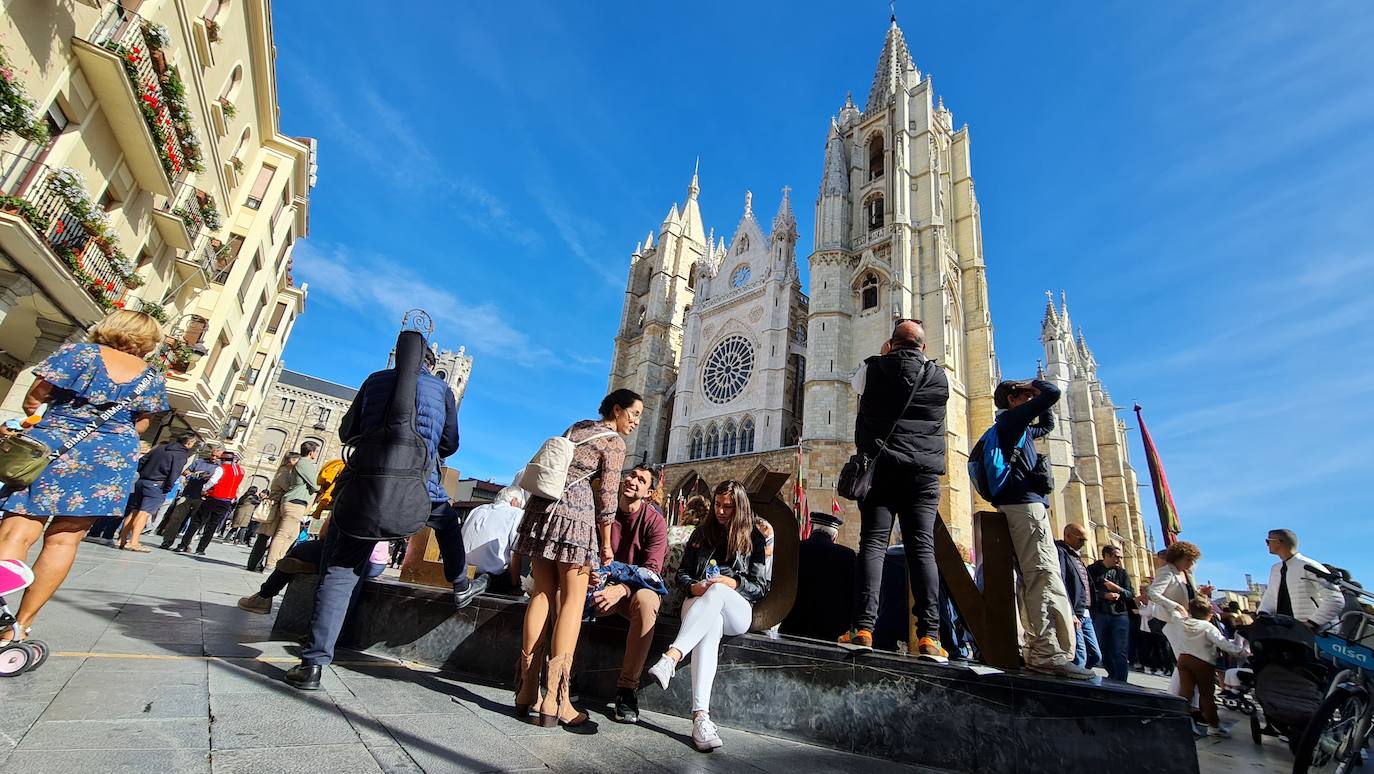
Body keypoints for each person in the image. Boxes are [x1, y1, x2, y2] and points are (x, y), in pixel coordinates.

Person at [284, 340, 481, 691]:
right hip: (419, 486)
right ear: (431, 363)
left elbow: (348, 432)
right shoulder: (441, 389)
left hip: (365, 483)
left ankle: (313, 664)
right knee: (448, 525)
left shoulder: (375, 380)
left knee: (340, 571)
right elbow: (449, 443)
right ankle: (460, 585)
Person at [0, 311, 168, 641]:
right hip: (111, 458)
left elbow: (33, 399)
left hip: (54, 447)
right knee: (65, 539)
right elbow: (142, 424)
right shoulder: (153, 377)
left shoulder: (78, 353)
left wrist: (47, 415)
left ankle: (0, 610)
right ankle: (19, 628)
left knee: (17, 529)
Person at [509, 388, 640, 728]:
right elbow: (609, 495)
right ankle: (556, 699)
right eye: (634, 414)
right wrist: (608, 542)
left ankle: (525, 691)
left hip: (542, 509)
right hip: (575, 514)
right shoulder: (614, 442)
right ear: (617, 410)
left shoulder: (579, 427)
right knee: (572, 599)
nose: (636, 421)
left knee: (541, 593)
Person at [840, 320, 950, 662]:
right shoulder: (939, 377)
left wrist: (883, 357)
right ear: (923, 347)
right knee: (922, 550)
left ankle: (863, 628)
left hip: (882, 470)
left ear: (890, 344)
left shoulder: (872, 369)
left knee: (872, 545)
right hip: (923, 475)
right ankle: (930, 637)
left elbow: (857, 386)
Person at [647, 480, 771, 752]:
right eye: (717, 505)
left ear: (740, 507)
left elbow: (761, 586)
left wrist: (733, 583)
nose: (721, 511)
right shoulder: (702, 534)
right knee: (710, 621)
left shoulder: (754, 537)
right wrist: (694, 585)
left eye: (728, 506)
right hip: (699, 603)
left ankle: (672, 657)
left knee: (717, 592)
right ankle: (700, 718)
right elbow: (682, 574)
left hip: (736, 609)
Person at [985, 378, 1094, 679]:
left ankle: (1039, 648)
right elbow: (1052, 394)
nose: (1030, 399)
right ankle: (1049, 653)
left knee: (1035, 576)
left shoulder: (1019, 428)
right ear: (1012, 399)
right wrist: (1033, 384)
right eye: (1024, 396)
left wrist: (1033, 398)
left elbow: (1046, 424)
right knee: (1043, 574)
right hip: (1024, 506)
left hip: (1023, 505)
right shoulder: (1011, 421)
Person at [590, 465, 668, 724]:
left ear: (648, 492)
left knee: (648, 602)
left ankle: (627, 689)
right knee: (567, 591)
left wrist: (621, 588)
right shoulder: (603, 511)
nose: (633, 480)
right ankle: (563, 673)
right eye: (631, 475)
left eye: (641, 479)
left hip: (631, 593)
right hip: (599, 586)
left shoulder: (654, 521)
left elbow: (652, 571)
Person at [1176, 596, 1247, 737]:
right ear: (1209, 614)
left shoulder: (1182, 623)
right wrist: (1242, 653)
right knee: (1206, 695)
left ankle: (1182, 722)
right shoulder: (1208, 627)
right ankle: (1213, 726)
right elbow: (1224, 644)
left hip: (1183, 660)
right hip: (1203, 662)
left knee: (1185, 693)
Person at [115, 432, 196, 552]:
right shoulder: (180, 455)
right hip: (157, 484)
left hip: (142, 481)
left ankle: (122, 539)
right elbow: (174, 473)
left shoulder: (161, 447)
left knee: (134, 511)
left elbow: (142, 461)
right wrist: (167, 488)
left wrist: (142, 474)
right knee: (144, 513)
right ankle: (134, 541)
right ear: (189, 443)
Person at [782, 511, 855, 642]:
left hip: (793, 624)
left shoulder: (794, 548)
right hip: (831, 628)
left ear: (811, 530)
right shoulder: (847, 555)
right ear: (834, 536)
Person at [1147, 541, 1212, 681]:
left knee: (1185, 659)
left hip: (1185, 620)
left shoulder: (1187, 574)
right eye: (1187, 559)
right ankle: (1186, 693)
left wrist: (1202, 593)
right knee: (1184, 658)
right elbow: (1153, 593)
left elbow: (1190, 595)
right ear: (1177, 557)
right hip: (1170, 620)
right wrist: (1175, 606)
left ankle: (1182, 693)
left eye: (1192, 560)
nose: (1190, 563)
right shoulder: (1167, 571)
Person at [1258, 529, 1343, 629]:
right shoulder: (1276, 569)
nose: (1267, 545)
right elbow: (1271, 595)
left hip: (1318, 634)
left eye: (1268, 541)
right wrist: (1262, 614)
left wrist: (1312, 623)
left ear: (1278, 542)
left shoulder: (1308, 566)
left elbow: (1336, 599)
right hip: (1289, 632)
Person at [174, 451, 245, 555]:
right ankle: (201, 549)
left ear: (223, 459)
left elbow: (213, 481)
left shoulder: (222, 468)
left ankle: (183, 545)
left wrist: (204, 489)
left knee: (197, 521)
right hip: (226, 501)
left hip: (213, 498)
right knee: (212, 526)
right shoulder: (241, 471)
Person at [462, 485, 527, 593]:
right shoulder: (516, 513)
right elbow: (515, 553)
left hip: (464, 573)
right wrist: (515, 584)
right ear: (514, 501)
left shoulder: (477, 510)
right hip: (493, 579)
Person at [1054, 523, 1100, 670]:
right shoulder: (1061, 552)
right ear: (1068, 536)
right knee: (1079, 656)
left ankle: (1081, 677)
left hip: (1085, 613)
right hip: (1075, 612)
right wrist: (1071, 613)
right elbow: (1061, 581)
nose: (1084, 544)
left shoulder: (1076, 556)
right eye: (1081, 540)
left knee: (1095, 655)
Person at [1088, 545, 1135, 682]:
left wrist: (1117, 589)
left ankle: (1121, 680)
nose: (1119, 560)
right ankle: (1112, 673)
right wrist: (1104, 595)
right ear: (1106, 555)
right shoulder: (1093, 570)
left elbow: (1130, 594)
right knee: (1101, 646)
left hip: (1120, 614)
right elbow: (1089, 591)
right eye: (1116, 556)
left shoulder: (1122, 573)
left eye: (1120, 557)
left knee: (1120, 649)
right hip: (1100, 613)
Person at [158, 448, 221, 548]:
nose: (214, 458)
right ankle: (167, 541)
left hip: (203, 497)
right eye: (213, 455)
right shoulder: (199, 462)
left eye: (217, 456)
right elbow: (185, 471)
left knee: (195, 522)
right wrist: (194, 474)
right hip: (188, 493)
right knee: (176, 518)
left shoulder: (220, 468)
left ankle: (187, 544)